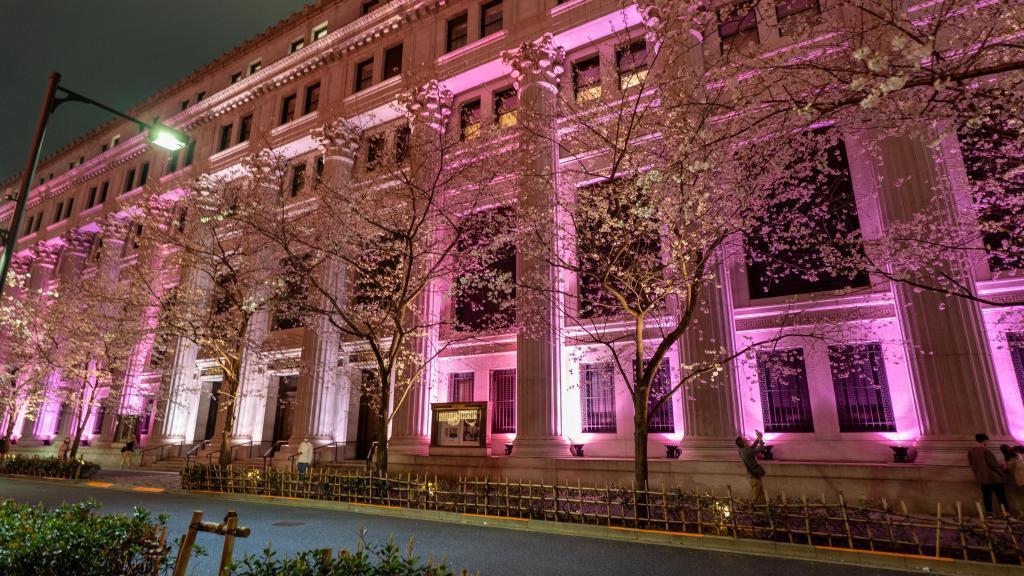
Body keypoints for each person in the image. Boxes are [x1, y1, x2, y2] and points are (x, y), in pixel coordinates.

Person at [968, 433, 1007, 515]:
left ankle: (989, 513)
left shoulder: (971, 451)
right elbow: (993, 464)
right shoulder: (986, 451)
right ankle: (1006, 513)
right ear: (985, 440)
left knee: (987, 497)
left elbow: (971, 464)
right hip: (994, 478)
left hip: (983, 478)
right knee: (1001, 497)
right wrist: (1002, 472)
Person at [736, 430, 767, 505]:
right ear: (743, 443)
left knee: (759, 494)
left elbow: (752, 448)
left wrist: (757, 439)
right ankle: (759, 509)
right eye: (744, 440)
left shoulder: (742, 450)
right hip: (753, 476)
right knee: (759, 495)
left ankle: (759, 507)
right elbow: (761, 449)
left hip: (752, 475)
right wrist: (760, 439)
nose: (746, 440)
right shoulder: (746, 451)